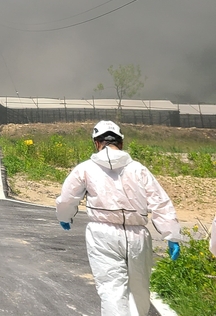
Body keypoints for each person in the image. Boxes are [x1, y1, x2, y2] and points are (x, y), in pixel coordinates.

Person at [55, 121, 183, 316]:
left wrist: (65, 216)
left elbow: (68, 197)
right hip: (137, 235)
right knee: (139, 290)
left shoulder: (86, 168)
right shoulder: (138, 169)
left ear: (96, 143)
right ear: (121, 143)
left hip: (102, 234)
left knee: (112, 288)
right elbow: (159, 201)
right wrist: (171, 235)